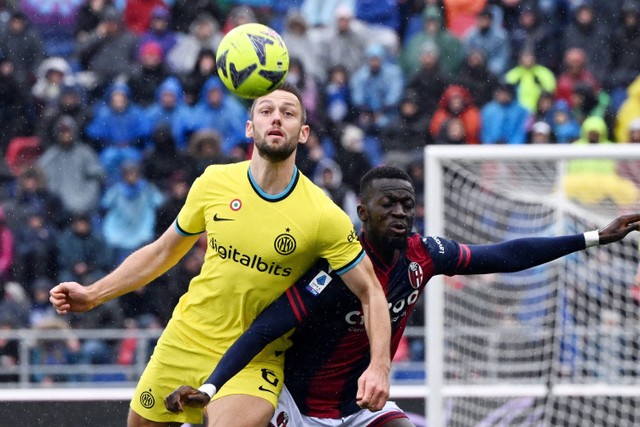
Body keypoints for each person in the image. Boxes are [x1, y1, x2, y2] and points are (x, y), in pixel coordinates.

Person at [165, 165, 640, 426]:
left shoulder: (423, 255)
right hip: (300, 409)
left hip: (363, 412)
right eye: (387, 204)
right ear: (362, 212)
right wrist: (211, 386)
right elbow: (267, 326)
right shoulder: (335, 266)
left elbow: (506, 255)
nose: (400, 212)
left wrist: (592, 236)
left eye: (407, 204)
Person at [49, 83, 392, 427]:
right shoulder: (214, 182)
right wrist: (93, 294)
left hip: (254, 360)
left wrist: (379, 366)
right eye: (266, 111)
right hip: (185, 338)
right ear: (249, 126)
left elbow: (371, 291)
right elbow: (163, 252)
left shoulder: (322, 214)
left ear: (303, 133)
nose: (276, 119)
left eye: (288, 113)